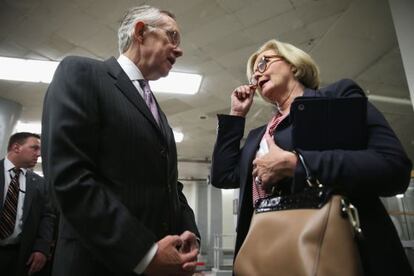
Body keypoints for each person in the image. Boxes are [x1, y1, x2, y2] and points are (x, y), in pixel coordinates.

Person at [210, 39, 413, 276]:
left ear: (294, 65)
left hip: (338, 254)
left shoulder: (336, 97)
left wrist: (299, 164)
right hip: (268, 257)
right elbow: (223, 175)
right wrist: (236, 115)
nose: (256, 72)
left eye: (264, 62)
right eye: (253, 70)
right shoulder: (258, 137)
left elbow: (393, 167)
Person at [41, 5, 200, 276]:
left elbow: (169, 186)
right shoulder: (82, 73)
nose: (179, 49)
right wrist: (145, 254)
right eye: (172, 37)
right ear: (140, 32)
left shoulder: (157, 113)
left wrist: (189, 237)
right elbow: (69, 178)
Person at [0, 132, 56, 276]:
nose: (39, 154)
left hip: (20, 255)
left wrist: (42, 248)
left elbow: (47, 216)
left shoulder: (39, 183)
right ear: (16, 148)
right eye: (34, 148)